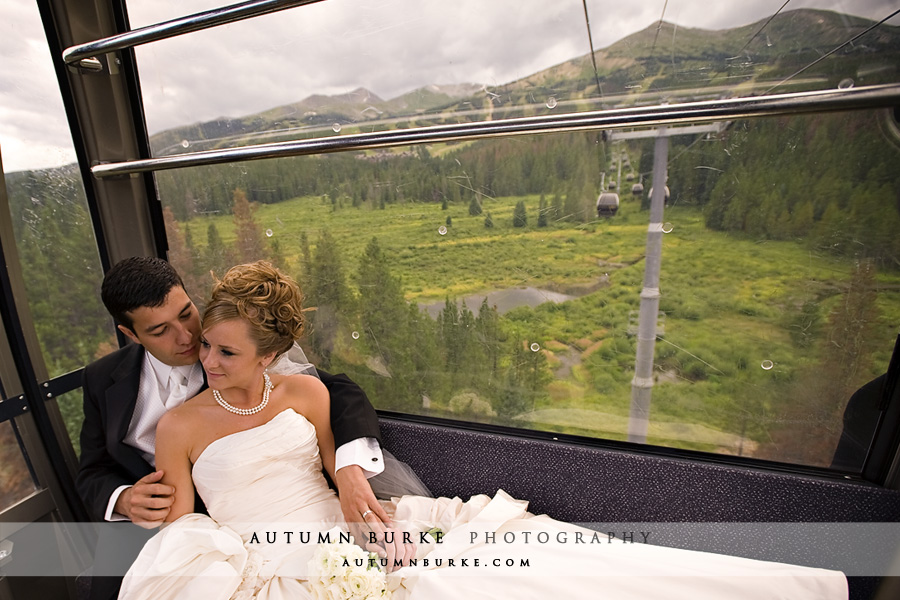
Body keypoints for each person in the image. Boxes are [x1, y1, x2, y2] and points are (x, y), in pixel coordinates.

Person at [118, 261, 848, 600]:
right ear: (132, 333)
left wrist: (350, 479)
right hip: (271, 561)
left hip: (357, 524)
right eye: (187, 339)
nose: (200, 354)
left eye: (219, 345)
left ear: (269, 354)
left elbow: (329, 437)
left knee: (542, 566)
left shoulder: (306, 390)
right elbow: (183, 530)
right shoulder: (177, 426)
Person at [77, 257, 423, 600]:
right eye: (160, 330)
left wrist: (349, 475)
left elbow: (340, 393)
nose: (188, 338)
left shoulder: (242, 340)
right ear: (130, 334)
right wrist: (122, 499)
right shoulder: (102, 380)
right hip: (198, 533)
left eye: (186, 314)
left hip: (314, 524)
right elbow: (93, 471)